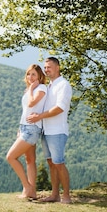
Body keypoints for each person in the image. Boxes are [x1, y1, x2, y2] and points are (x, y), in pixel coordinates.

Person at [27, 56, 73, 204]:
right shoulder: (50, 86)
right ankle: (55, 195)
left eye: (49, 67)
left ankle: (66, 196)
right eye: (45, 67)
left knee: (59, 163)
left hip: (57, 131)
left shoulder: (63, 85)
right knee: (51, 163)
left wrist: (39, 116)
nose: (46, 69)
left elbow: (60, 108)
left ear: (58, 67)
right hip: (46, 131)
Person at [6, 64, 48, 200]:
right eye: (28, 74)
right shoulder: (30, 89)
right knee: (30, 160)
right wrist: (20, 128)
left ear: (40, 76)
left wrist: (30, 89)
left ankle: (27, 187)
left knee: (11, 157)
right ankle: (32, 192)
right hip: (25, 127)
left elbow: (31, 103)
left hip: (32, 129)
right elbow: (26, 111)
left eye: (34, 74)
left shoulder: (41, 88)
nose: (30, 77)